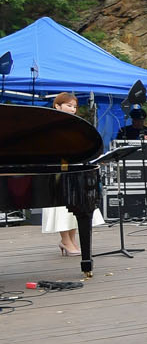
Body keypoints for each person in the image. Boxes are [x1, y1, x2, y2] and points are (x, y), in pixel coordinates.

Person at [41, 93, 104, 255]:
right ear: (57, 106)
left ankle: (72, 240)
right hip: (57, 167)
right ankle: (65, 241)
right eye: (69, 105)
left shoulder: (76, 125)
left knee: (77, 204)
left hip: (75, 165)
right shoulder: (49, 124)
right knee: (61, 206)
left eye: (75, 106)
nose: (73, 109)